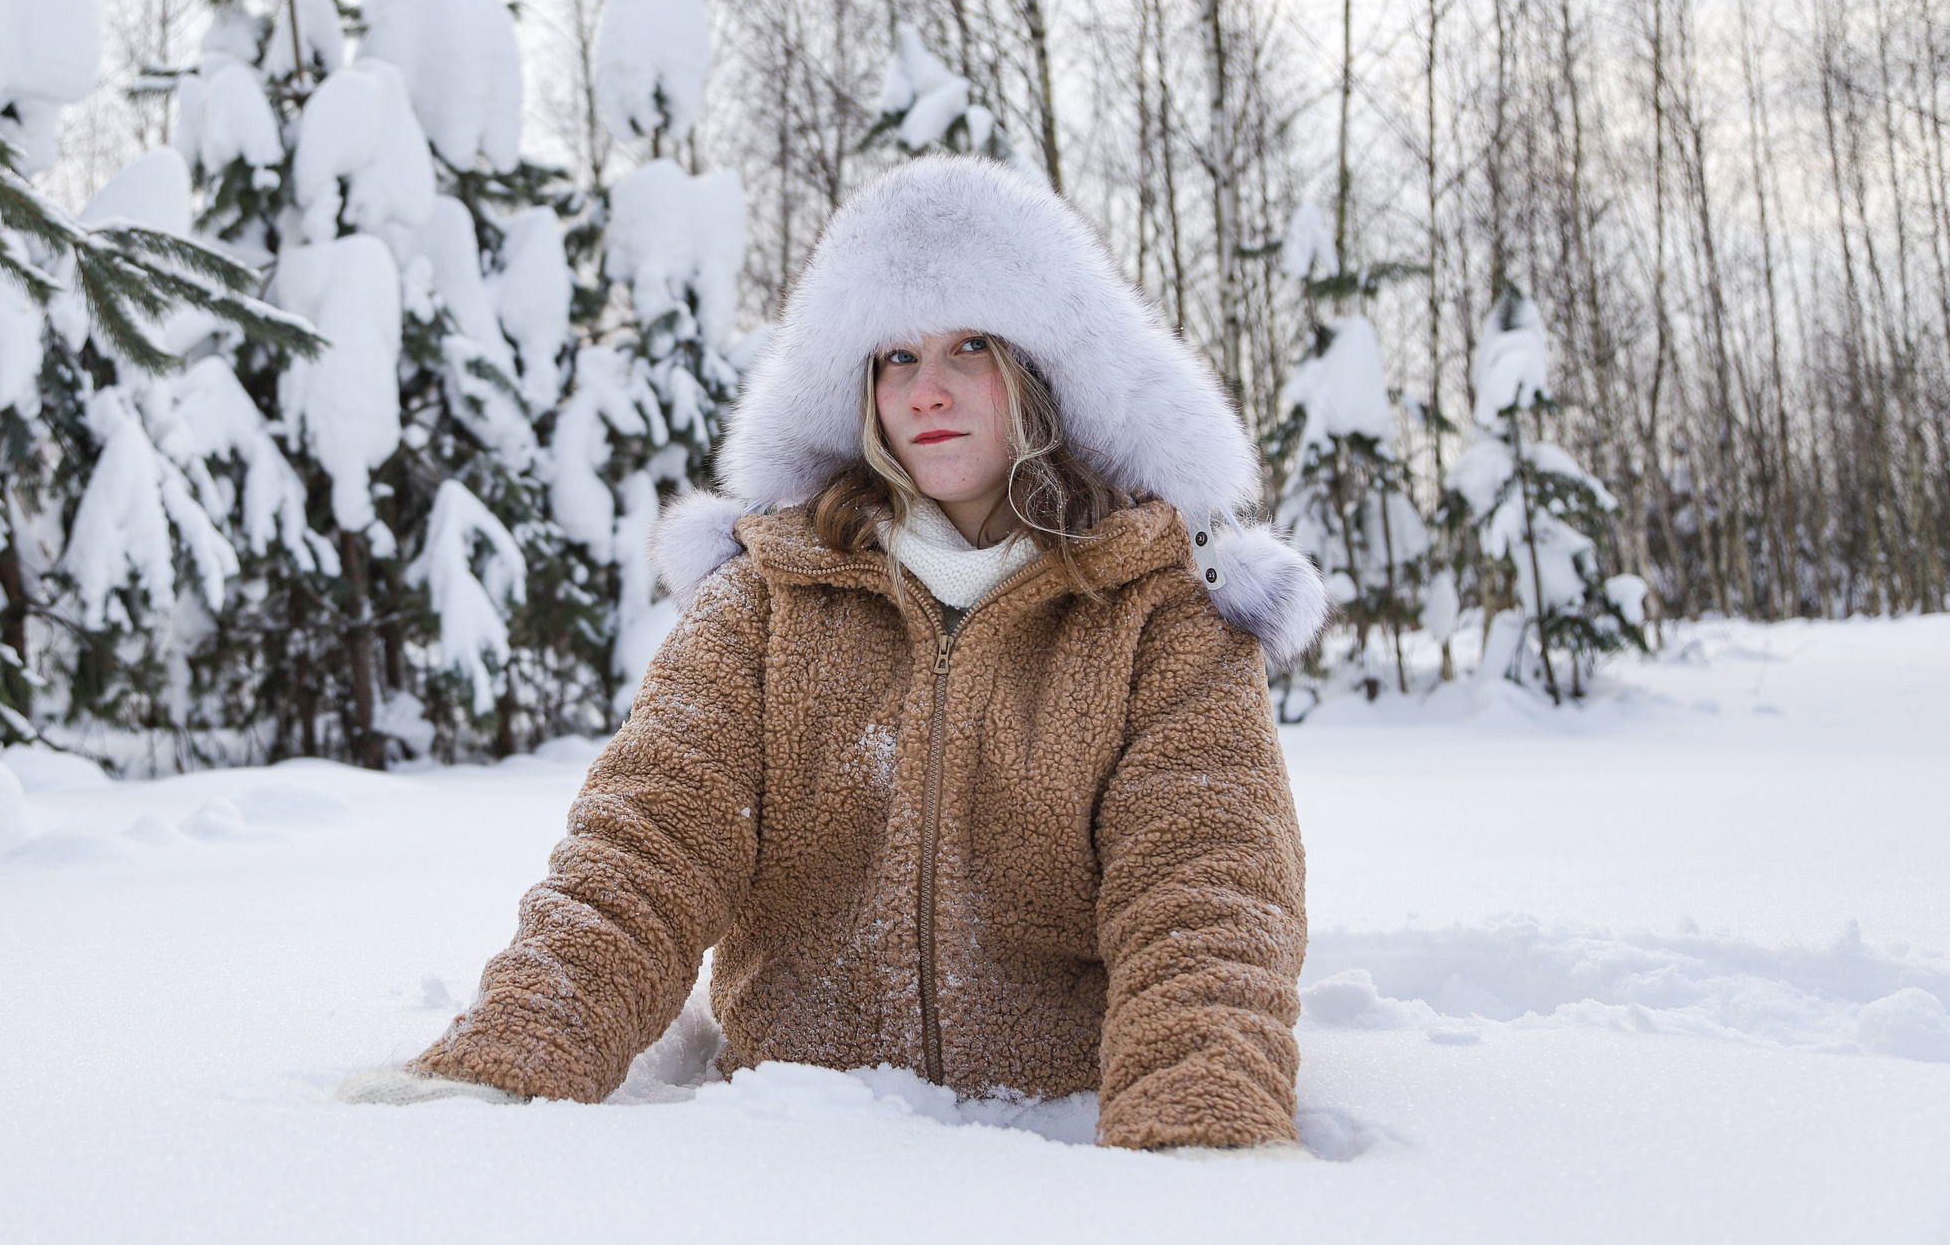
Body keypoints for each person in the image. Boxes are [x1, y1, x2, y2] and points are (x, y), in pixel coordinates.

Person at [340, 156, 1329, 1154]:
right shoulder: (768, 598)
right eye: (893, 356)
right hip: (792, 1139)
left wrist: (1202, 1135)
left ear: (1043, 368)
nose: (926, 389)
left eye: (969, 346)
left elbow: (1207, 889)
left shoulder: (1157, 612)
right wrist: (515, 1056)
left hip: (1059, 1140)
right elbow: (649, 840)